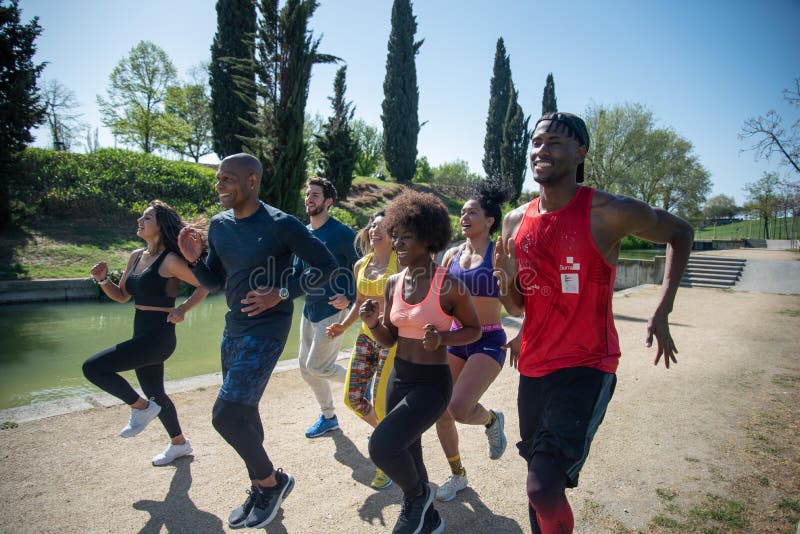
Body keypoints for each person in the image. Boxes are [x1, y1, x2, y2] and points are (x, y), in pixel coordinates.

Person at [493, 112, 694, 533]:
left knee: (543, 486)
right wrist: (508, 280)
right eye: (536, 142)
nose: (541, 150)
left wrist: (663, 308)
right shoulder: (514, 222)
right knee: (539, 480)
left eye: (554, 143)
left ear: (580, 152)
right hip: (533, 367)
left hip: (587, 363)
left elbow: (681, 233)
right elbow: (516, 309)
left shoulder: (608, 212)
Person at [177, 153, 338, 529]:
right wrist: (195, 260)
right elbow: (215, 282)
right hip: (233, 328)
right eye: (218, 179)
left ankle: (272, 482)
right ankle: (260, 485)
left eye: (227, 179)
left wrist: (281, 292)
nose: (219, 185)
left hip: (267, 330)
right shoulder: (218, 225)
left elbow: (329, 267)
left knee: (225, 415)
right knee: (244, 412)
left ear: (252, 181)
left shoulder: (282, 224)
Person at [362, 190, 482, 534]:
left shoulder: (450, 286)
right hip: (399, 378)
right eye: (395, 235)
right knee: (409, 453)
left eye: (406, 237)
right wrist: (373, 324)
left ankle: (417, 498)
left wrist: (443, 338)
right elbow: (389, 339)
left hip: (432, 384)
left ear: (429, 239)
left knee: (382, 446)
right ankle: (430, 520)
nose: (397, 243)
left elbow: (474, 329)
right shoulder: (392, 283)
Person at [82, 200, 209, 466]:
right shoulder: (136, 256)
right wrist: (103, 280)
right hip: (142, 333)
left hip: (158, 338)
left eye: (147, 218)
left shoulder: (171, 260)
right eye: (141, 216)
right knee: (156, 394)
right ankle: (179, 444)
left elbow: (205, 285)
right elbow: (121, 296)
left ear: (161, 226)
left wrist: (183, 308)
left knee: (93, 368)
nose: (140, 221)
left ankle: (140, 408)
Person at [433, 180, 509, 503]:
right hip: (454, 337)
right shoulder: (451, 255)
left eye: (472, 212)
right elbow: (436, 301)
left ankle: (492, 420)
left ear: (489, 219)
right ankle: (457, 474)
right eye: (462, 212)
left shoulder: (500, 251)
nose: (464, 217)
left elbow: (521, 298)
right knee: (440, 408)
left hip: (488, 339)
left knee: (461, 408)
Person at [326, 210, 399, 489]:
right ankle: (390, 439)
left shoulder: (401, 263)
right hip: (365, 337)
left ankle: (387, 459)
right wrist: (343, 327)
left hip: (391, 339)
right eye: (372, 225)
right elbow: (359, 302)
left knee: (381, 403)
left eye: (381, 226)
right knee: (352, 397)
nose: (374, 230)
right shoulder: (361, 265)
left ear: (394, 235)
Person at [292, 177, 358, 439]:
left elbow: (362, 265)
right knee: (305, 368)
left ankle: (361, 380)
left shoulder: (341, 233)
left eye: (316, 195)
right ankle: (329, 417)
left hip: (334, 309)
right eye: (308, 194)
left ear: (328, 201)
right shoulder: (303, 234)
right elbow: (297, 272)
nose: (310, 198)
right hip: (309, 310)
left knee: (318, 366)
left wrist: (351, 297)